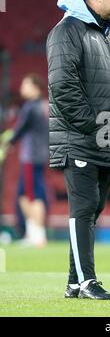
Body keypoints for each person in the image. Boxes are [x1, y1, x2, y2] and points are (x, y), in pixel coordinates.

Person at [47, 0, 110, 300]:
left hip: (106, 141)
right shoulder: (66, 32)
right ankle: (87, 282)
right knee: (83, 208)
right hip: (80, 138)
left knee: (93, 209)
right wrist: (96, 127)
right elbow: (62, 87)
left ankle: (74, 282)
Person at [2, 74, 49, 247]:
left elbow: (19, 129)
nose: (22, 88)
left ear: (36, 87)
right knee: (23, 194)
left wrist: (7, 143)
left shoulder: (30, 107)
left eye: (26, 84)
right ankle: (32, 232)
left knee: (32, 195)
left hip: (31, 155)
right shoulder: (45, 105)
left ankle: (38, 235)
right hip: (40, 154)